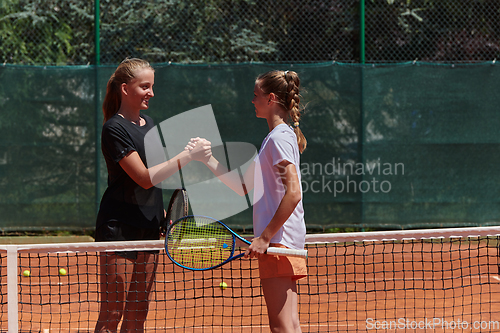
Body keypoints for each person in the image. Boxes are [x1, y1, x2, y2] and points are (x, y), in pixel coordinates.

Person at [94, 58, 210, 333]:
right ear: (125, 89)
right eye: (144, 86)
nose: (151, 93)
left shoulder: (150, 124)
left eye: (152, 86)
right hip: (118, 227)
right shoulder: (114, 128)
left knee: (137, 316)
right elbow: (144, 178)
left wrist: (164, 214)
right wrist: (187, 156)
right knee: (112, 313)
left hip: (149, 225)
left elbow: (157, 175)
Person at [190, 70, 307, 333]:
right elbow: (242, 185)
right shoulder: (276, 138)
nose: (252, 101)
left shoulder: (278, 138)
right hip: (284, 242)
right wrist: (207, 159)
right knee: (290, 326)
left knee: (281, 327)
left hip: (278, 244)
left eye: (256, 96)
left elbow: (294, 193)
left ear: (271, 99)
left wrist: (265, 237)